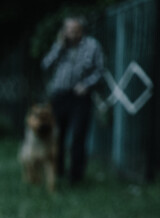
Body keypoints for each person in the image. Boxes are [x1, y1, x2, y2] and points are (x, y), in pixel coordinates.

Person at [41, 15, 105, 185]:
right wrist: (59, 46)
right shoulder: (60, 46)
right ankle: (58, 170)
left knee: (78, 135)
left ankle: (76, 177)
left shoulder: (92, 45)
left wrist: (87, 85)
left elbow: (99, 71)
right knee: (57, 136)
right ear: (64, 31)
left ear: (81, 30)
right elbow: (45, 65)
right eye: (69, 30)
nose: (72, 34)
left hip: (80, 97)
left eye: (75, 31)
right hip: (60, 95)